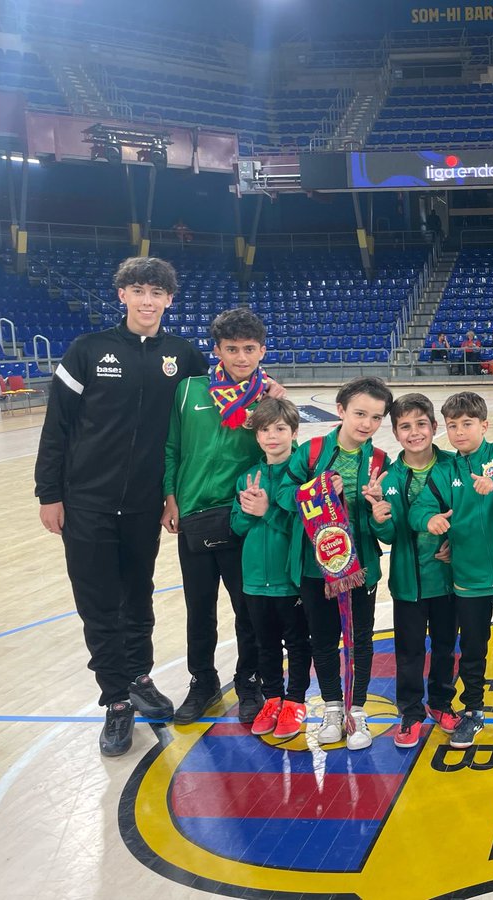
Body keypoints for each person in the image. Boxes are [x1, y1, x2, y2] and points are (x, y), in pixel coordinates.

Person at [35, 256, 207, 757]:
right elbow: (58, 428)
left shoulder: (183, 356)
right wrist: (50, 493)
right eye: (138, 290)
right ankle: (115, 702)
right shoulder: (87, 351)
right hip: (86, 502)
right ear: (122, 296)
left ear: (169, 300)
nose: (148, 300)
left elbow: (221, 400)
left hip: (144, 505)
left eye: (157, 292)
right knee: (98, 604)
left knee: (139, 598)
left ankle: (138, 676)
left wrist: (267, 390)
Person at [164, 307, 283, 726]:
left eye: (249, 349)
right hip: (192, 513)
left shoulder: (271, 399)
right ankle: (202, 682)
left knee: (247, 608)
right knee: (199, 610)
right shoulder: (188, 390)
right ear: (217, 350)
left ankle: (248, 682)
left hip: (240, 517)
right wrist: (169, 494)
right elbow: (172, 447)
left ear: (262, 349)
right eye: (231, 349)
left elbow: (278, 456)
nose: (241, 358)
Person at [408, 391, 493, 751]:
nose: (459, 432)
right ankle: (473, 711)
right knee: (472, 649)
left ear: (484, 424)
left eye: (467, 424)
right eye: (452, 426)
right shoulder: (445, 469)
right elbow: (419, 508)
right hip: (467, 580)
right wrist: (430, 519)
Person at [277, 376, 394, 751]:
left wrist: (378, 508)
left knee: (360, 641)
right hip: (316, 570)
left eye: (376, 418)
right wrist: (319, 490)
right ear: (341, 411)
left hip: (361, 569)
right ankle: (330, 707)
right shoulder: (311, 451)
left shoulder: (380, 460)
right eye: (360, 413)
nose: (367, 424)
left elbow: (386, 524)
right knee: (323, 640)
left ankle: (356, 710)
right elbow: (283, 493)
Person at [373, 392, 461, 749]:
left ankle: (440, 702)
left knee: (444, 646)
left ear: (434, 427)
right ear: (395, 433)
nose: (414, 432)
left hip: (449, 582)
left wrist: (456, 542)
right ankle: (410, 712)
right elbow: (392, 533)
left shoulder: (456, 467)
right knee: (409, 651)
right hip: (408, 584)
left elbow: (470, 516)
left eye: (421, 424)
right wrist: (379, 521)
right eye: (405, 426)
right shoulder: (389, 478)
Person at [229, 397, 312, 740]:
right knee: (264, 644)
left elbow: (306, 528)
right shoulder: (247, 476)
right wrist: (249, 512)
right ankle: (273, 698)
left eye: (280, 429)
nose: (272, 436)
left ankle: (295, 700)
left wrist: (268, 512)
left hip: (290, 580)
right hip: (254, 582)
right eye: (265, 430)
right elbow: (236, 526)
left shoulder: (303, 475)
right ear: (257, 435)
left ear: (294, 432)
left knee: (296, 643)